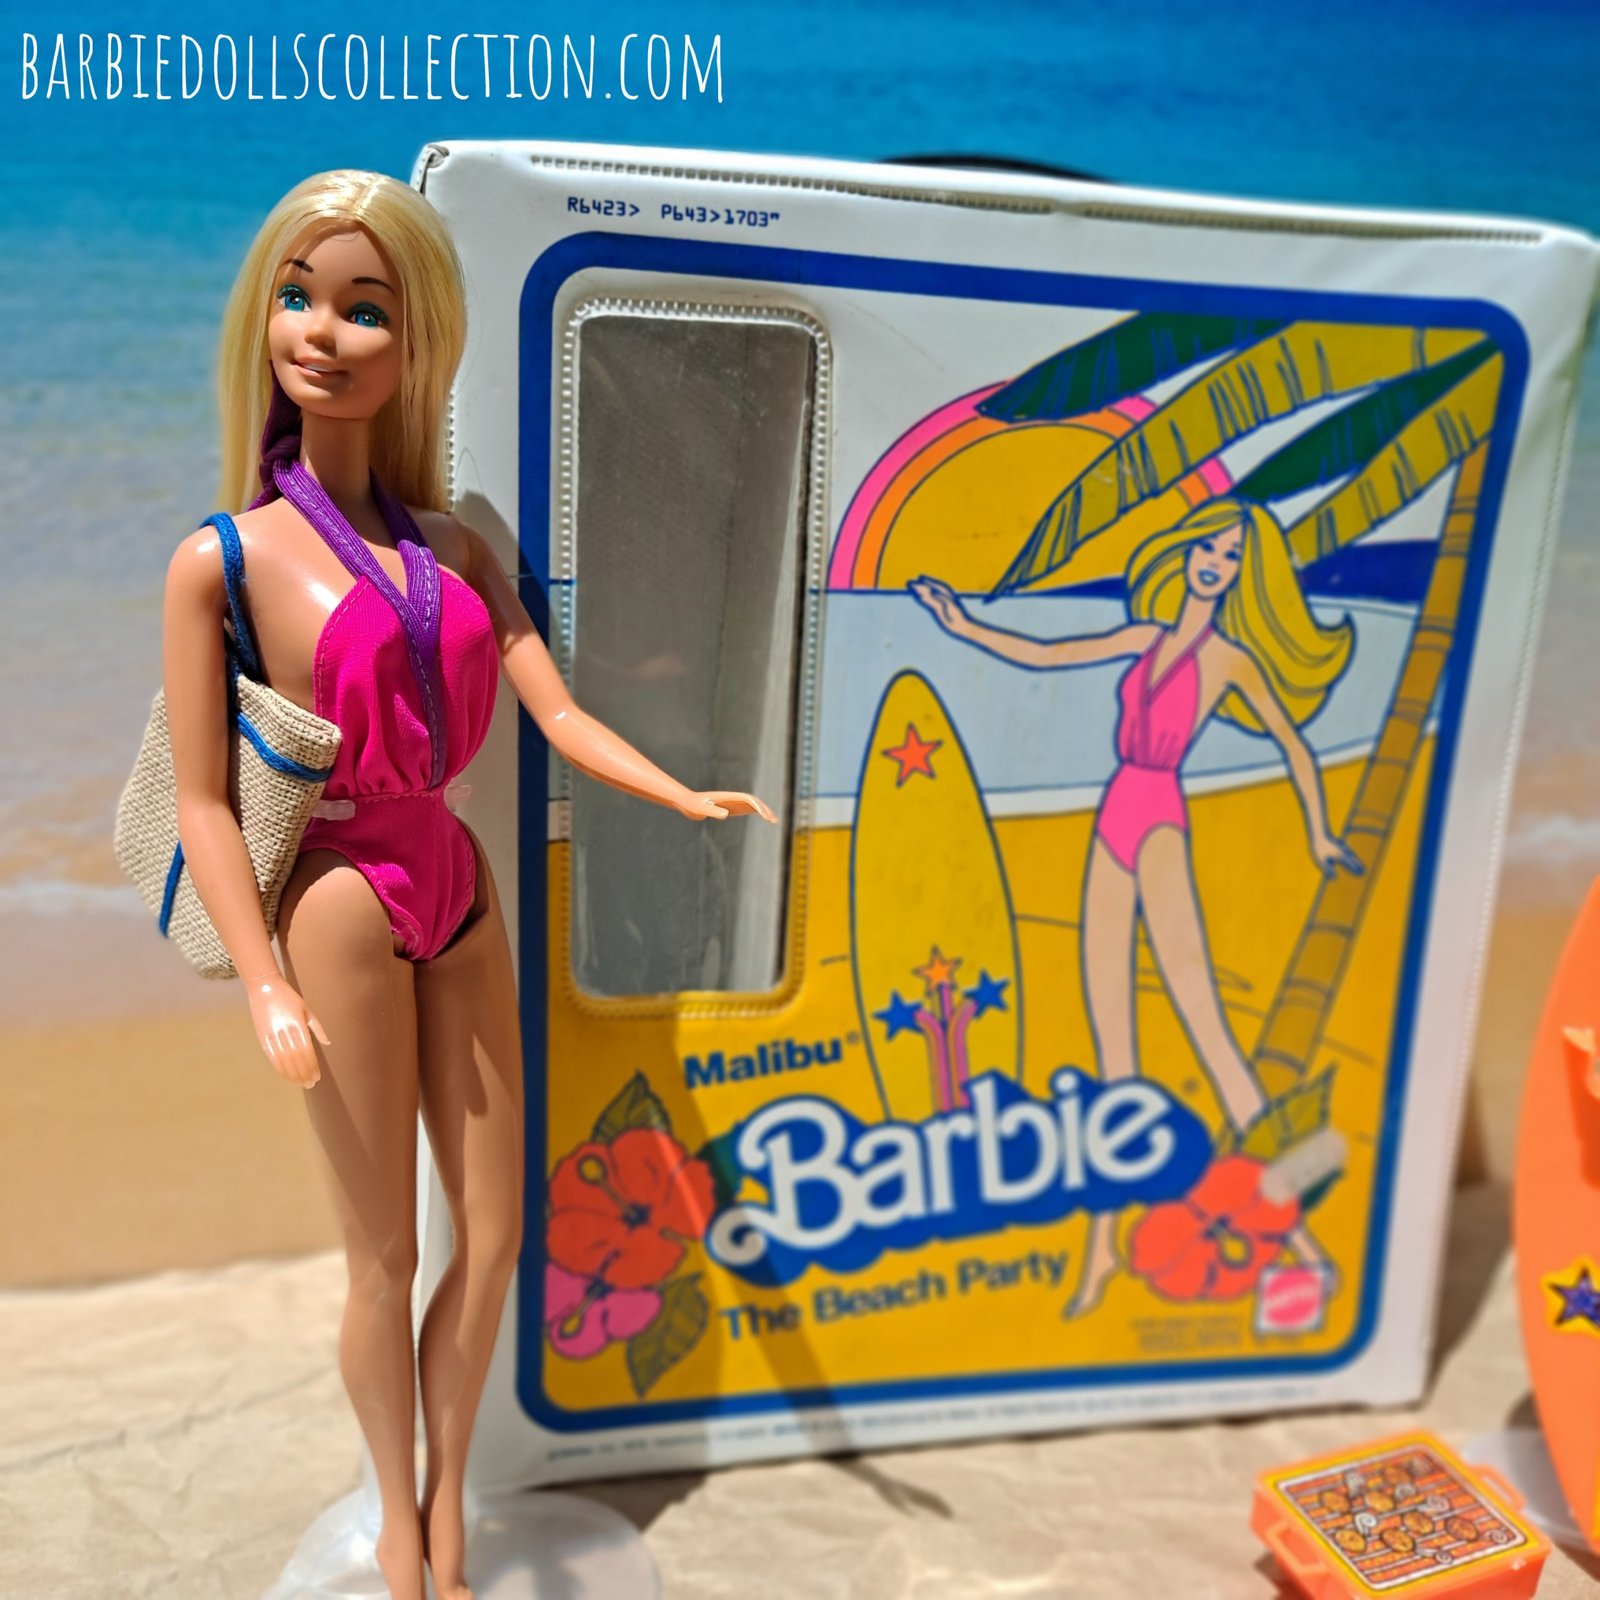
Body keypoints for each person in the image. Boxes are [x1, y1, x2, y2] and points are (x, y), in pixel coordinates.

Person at [162, 169, 774, 1600]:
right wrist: (262, 982)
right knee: (382, 1257)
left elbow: (552, 711)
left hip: (456, 875)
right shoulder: (223, 563)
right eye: (298, 298)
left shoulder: (456, 551)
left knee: (494, 1232)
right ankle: (400, 1524)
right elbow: (202, 801)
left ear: (418, 337)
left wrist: (677, 789)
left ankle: (452, 1502)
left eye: (362, 308)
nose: (322, 333)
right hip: (339, 895)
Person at [909, 496, 1358, 1316]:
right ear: (1185, 552)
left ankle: (1304, 1246)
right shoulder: (1143, 636)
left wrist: (1320, 833)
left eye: (1231, 555)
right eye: (1207, 548)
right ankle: (1101, 1254)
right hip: (1113, 815)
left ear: (1243, 574)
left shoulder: (1229, 660)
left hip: (1158, 819)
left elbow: (1294, 742)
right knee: (1113, 1051)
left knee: (1209, 1031)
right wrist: (961, 624)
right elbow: (1047, 654)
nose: (1214, 563)